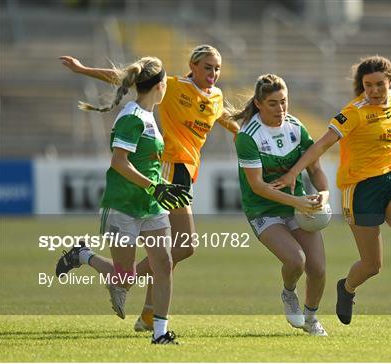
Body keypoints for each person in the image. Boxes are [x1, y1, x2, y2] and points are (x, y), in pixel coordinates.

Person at [57, 45, 240, 332]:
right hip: (167, 168)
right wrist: (83, 70)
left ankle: (145, 312)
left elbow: (224, 119)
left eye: (217, 68)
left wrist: (248, 138)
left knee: (174, 252)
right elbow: (128, 77)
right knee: (182, 247)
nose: (213, 73)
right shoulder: (172, 87)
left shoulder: (216, 96)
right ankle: (145, 310)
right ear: (192, 65)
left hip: (187, 171)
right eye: (207, 67)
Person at [271, 56, 391, 329]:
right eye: (369, 85)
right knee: (372, 264)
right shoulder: (353, 112)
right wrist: (295, 172)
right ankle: (347, 288)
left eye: (380, 84)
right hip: (360, 188)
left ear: (390, 81)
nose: (375, 90)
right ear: (362, 85)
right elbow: (321, 145)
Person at [71, 56, 191, 344]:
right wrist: (155, 187)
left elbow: (147, 163)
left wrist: (163, 188)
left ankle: (160, 333)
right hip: (123, 205)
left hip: (151, 205)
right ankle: (82, 255)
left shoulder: (149, 116)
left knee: (163, 265)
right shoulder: (132, 117)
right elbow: (119, 163)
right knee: (124, 279)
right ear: (161, 86)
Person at [233, 74, 330, 336]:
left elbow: (316, 168)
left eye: (284, 102)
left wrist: (324, 193)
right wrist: (297, 200)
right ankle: (289, 294)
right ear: (259, 103)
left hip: (296, 206)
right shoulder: (247, 136)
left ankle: (311, 319)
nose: (281, 109)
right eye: (273, 103)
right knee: (296, 261)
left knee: (318, 269)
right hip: (262, 210)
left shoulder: (296, 128)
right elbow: (258, 187)